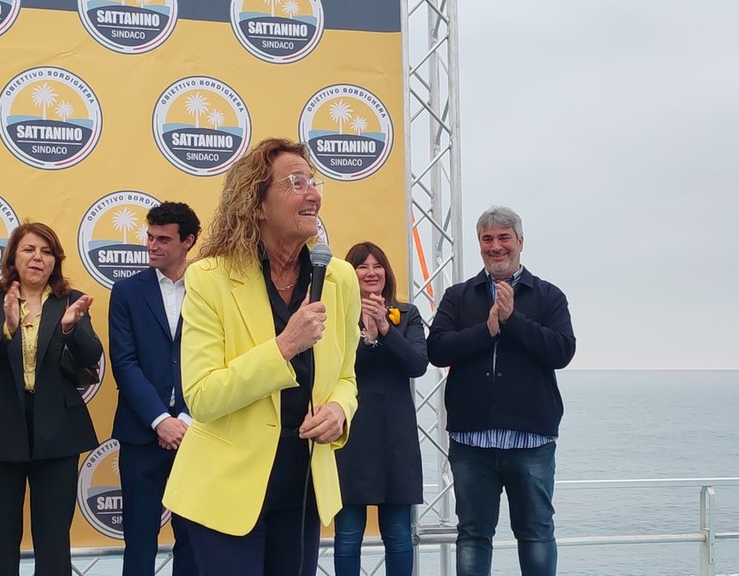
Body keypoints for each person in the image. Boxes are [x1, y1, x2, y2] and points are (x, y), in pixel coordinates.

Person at [162, 137, 359, 576]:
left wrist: (339, 412)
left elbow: (347, 378)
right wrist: (284, 347)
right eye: (296, 183)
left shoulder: (340, 277)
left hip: (302, 486)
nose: (313, 193)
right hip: (225, 490)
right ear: (257, 204)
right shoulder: (209, 278)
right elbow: (202, 396)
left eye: (313, 182)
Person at [427, 206, 576, 576]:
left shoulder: (549, 296)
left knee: (536, 533)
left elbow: (562, 351)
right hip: (471, 444)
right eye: (487, 239)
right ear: (479, 244)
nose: (496, 246)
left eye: (504, 238)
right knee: (473, 536)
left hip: (531, 443)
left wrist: (513, 321)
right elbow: (437, 350)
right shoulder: (458, 297)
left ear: (520, 242)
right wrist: (487, 330)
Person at [0, 221, 101, 576]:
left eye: (46, 252)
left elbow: (92, 356)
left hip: (57, 432)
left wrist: (71, 327)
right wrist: (7, 328)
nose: (38, 258)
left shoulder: (70, 300)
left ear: (56, 261)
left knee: (53, 539)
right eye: (29, 249)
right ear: (13, 257)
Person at [109, 201, 201, 576]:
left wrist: (187, 419)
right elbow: (124, 363)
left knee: (193, 539)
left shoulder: (209, 289)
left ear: (188, 241)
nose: (152, 245)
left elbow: (219, 360)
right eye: (149, 237)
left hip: (198, 433)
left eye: (163, 239)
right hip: (141, 434)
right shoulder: (126, 292)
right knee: (139, 540)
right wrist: (161, 420)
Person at [333, 241, 428, 576]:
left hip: (396, 437)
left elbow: (417, 364)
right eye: (362, 267)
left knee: (399, 534)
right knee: (347, 535)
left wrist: (385, 330)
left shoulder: (407, 314)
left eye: (377, 266)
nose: (371, 273)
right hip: (350, 435)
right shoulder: (337, 315)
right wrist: (366, 336)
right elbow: (333, 366)